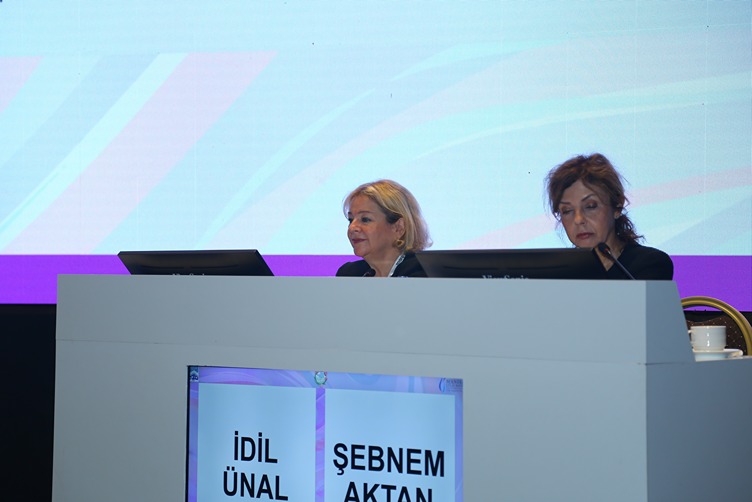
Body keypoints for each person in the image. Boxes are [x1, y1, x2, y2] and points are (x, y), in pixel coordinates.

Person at [545, 153, 673, 280]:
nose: (578, 219)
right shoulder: (558, 274)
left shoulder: (650, 264)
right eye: (567, 211)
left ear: (617, 207)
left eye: (590, 206)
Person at [336, 179, 432, 277]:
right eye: (350, 220)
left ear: (398, 227)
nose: (352, 228)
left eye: (365, 219)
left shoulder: (424, 272)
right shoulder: (349, 274)